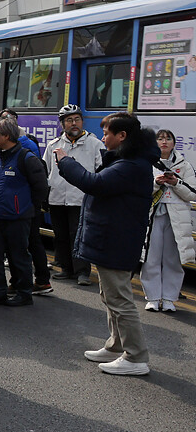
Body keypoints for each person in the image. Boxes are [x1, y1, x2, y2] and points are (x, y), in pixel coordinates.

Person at [55, 113, 157, 376]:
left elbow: (94, 183)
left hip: (117, 240)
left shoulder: (132, 165)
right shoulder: (128, 160)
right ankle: (116, 346)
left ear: (122, 136)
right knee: (109, 296)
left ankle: (136, 357)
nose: (103, 138)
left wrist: (66, 162)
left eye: (107, 133)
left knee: (120, 299)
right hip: (111, 238)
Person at [0, 119, 49, 307]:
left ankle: (24, 293)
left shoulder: (27, 158)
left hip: (18, 218)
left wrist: (26, 208)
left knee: (19, 257)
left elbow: (41, 188)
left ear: (6, 136)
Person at [43, 105, 103, 286]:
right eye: (69, 120)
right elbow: (46, 170)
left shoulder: (95, 144)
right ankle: (66, 269)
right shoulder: (53, 145)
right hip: (57, 198)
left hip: (81, 199)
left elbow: (101, 171)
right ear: (62, 124)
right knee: (61, 236)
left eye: (77, 119)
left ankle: (82, 272)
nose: (74, 123)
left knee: (79, 236)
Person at [140, 129, 193, 313]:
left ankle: (170, 299)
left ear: (174, 143)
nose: (164, 142)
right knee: (151, 258)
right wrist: (157, 182)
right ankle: (153, 298)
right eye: (160, 138)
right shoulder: (147, 163)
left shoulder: (184, 165)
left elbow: (192, 193)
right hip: (153, 215)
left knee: (173, 259)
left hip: (177, 217)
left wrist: (175, 183)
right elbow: (140, 190)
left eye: (168, 138)